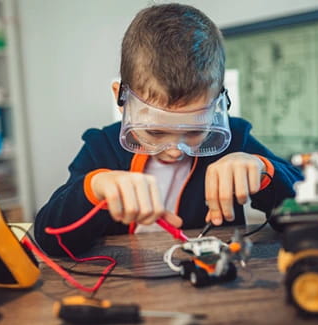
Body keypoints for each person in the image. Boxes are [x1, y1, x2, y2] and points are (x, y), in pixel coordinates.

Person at [34, 3, 302, 256]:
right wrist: (95, 188)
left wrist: (263, 170)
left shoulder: (236, 139)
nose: (175, 150)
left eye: (195, 131)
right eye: (155, 133)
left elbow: (306, 213)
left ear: (217, 106)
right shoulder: (102, 147)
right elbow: (50, 238)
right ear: (121, 98)